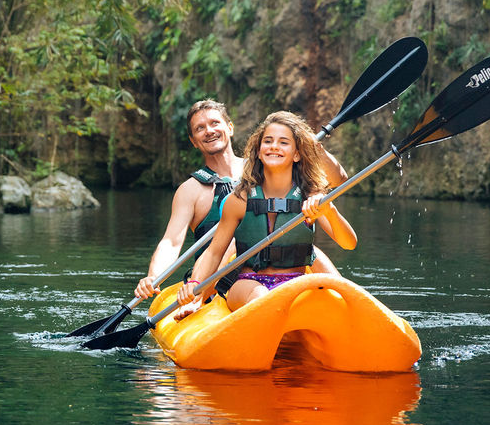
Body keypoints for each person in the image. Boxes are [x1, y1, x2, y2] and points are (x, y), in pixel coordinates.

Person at [134, 100, 346, 301]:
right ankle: (198, 299)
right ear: (193, 141)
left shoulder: (268, 163)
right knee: (238, 238)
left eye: (215, 123)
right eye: (200, 128)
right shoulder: (191, 190)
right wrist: (154, 276)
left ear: (230, 128)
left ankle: (346, 301)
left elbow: (338, 180)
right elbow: (171, 241)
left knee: (308, 248)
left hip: (281, 265)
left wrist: (314, 147)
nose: (209, 130)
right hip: (224, 276)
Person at [173, 111, 358, 320]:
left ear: (297, 154)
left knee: (324, 303)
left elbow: (349, 243)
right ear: (259, 151)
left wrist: (329, 211)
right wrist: (195, 284)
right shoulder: (240, 199)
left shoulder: (310, 196)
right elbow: (215, 252)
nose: (274, 146)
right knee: (261, 296)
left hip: (296, 282)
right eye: (268, 141)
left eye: (284, 142)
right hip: (248, 284)